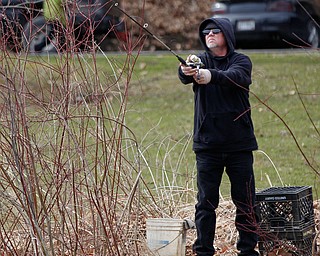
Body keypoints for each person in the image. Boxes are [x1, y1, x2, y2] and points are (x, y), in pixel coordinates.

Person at [178, 18, 259, 256]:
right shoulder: (199, 60)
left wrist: (210, 76)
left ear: (227, 35)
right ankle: (203, 250)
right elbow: (184, 74)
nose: (210, 35)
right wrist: (187, 71)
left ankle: (247, 250)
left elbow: (236, 76)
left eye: (215, 31)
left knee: (245, 202)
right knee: (205, 203)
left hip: (239, 145)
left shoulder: (241, 61)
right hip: (207, 146)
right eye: (206, 32)